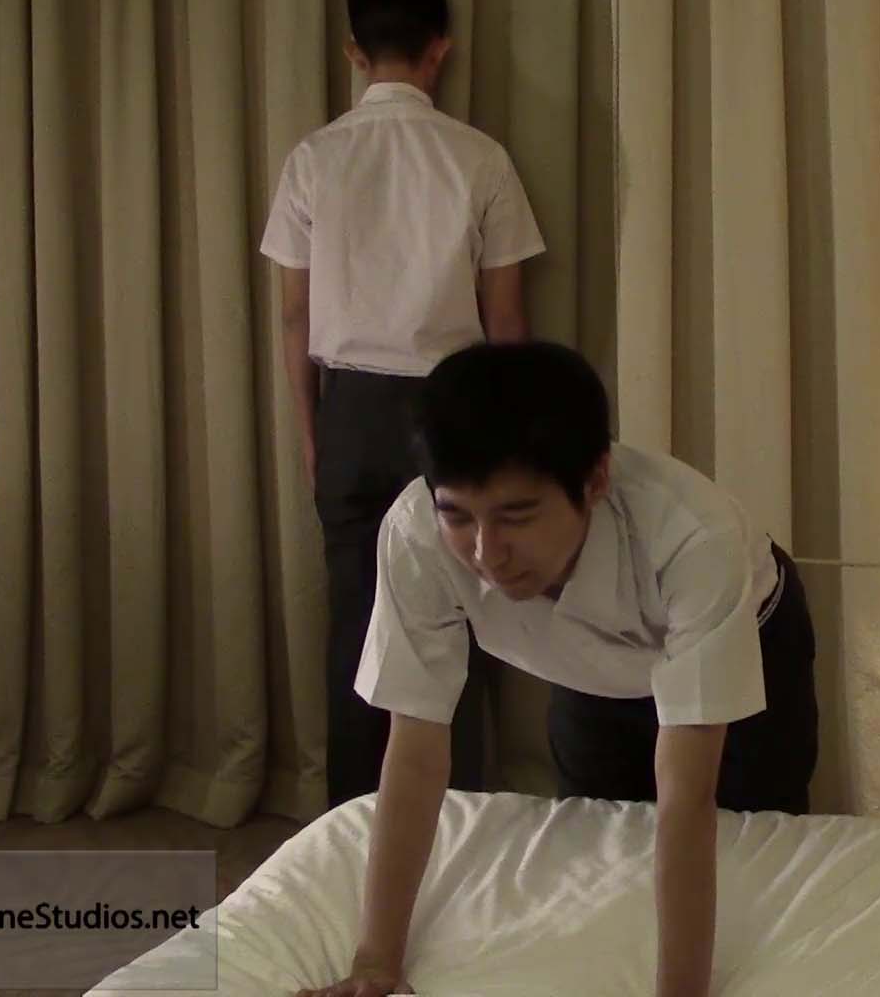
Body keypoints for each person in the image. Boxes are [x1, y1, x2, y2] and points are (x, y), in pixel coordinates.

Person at [298, 340, 820, 997]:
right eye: (459, 516)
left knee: (756, 844)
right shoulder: (415, 533)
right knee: (597, 843)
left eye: (516, 517)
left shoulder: (693, 536)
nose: (487, 554)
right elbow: (417, 748)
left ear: (596, 481)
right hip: (583, 668)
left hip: (751, 636)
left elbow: (687, 796)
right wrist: (376, 960)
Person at [260, 0, 546, 808]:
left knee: (357, 626)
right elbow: (508, 324)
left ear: (354, 51)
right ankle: (454, 817)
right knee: (458, 618)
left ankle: (355, 824)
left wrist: (313, 434)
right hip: (454, 410)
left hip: (348, 408)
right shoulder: (479, 158)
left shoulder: (314, 159)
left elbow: (293, 318)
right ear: (441, 49)